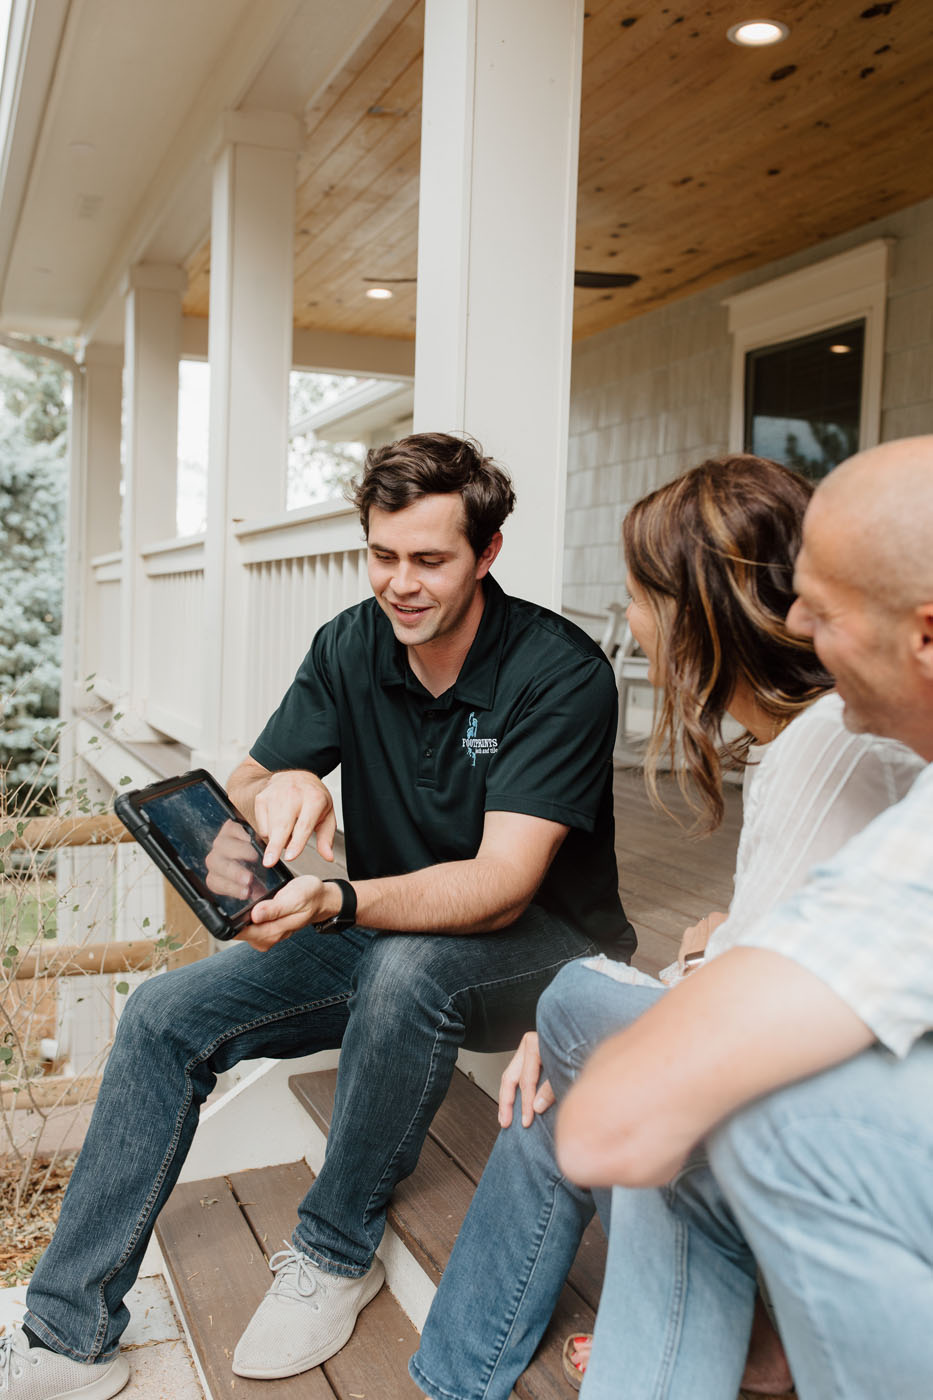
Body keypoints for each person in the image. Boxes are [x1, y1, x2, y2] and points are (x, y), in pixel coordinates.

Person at [3, 433, 633, 1400]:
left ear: (487, 554)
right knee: (163, 1015)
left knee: (404, 969)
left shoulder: (558, 672)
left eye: (430, 560)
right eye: (383, 555)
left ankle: (337, 1250)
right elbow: (250, 779)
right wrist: (287, 780)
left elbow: (504, 882)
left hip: (545, 953)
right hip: (387, 928)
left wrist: (338, 899)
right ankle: (64, 1331)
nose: (401, 583)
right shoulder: (351, 641)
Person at [409, 453, 922, 1400]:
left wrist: (672, 983)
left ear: (693, 611)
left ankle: (458, 1379)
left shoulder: (832, 749)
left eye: (639, 595)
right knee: (581, 1062)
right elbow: (780, 948)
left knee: (572, 1005)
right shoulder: (818, 748)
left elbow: (759, 989)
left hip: (833, 1119)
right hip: (797, 1096)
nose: (631, 618)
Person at [556, 435, 933, 1399]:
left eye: (821, 602)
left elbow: (624, 1118)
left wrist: (718, 960)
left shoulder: (832, 751)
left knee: (746, 1109)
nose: (792, 620)